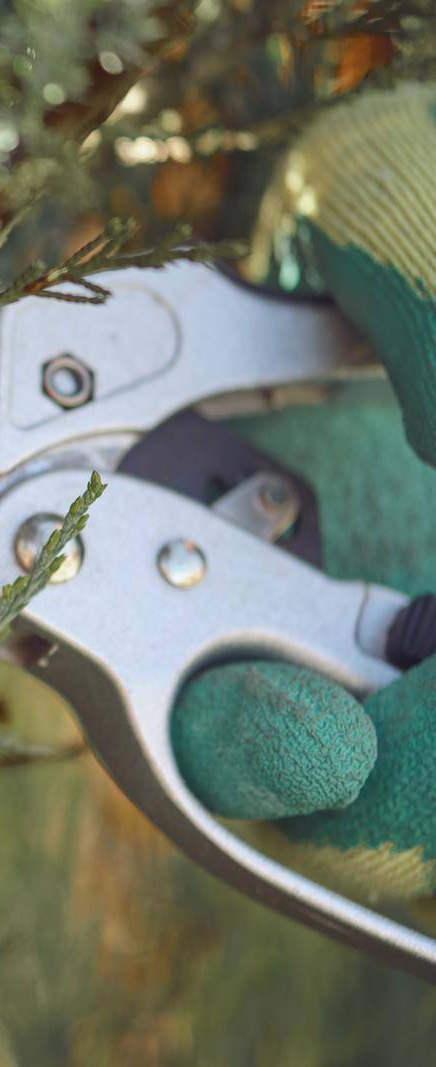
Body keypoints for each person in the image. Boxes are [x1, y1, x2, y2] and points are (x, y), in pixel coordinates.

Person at [172, 84, 436, 902]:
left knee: (313, 755)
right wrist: (386, 190)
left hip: (198, 610)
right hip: (208, 391)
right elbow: (365, 162)